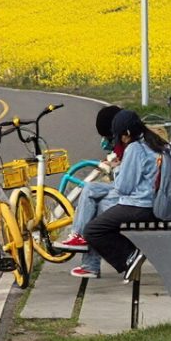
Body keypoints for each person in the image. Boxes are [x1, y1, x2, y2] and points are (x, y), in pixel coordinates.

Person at [84, 109, 167, 283]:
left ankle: (130, 255)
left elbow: (123, 187)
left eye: (119, 136)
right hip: (149, 202)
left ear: (127, 134)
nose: (118, 140)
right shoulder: (150, 141)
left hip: (139, 206)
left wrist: (116, 169)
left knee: (93, 230)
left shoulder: (135, 149)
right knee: (101, 216)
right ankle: (130, 256)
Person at [56, 104, 123, 279]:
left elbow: (128, 179)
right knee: (90, 190)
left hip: (135, 197)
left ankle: (87, 258)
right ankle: (82, 246)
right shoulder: (127, 143)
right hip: (131, 192)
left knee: (94, 203)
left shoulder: (133, 145)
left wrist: (115, 167)